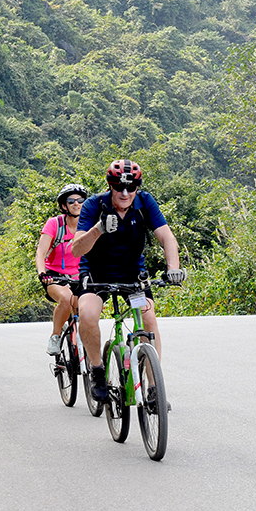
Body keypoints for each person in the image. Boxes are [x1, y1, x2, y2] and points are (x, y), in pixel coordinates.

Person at [71, 159, 186, 401]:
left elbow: (166, 237)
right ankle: (97, 370)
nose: (125, 193)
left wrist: (173, 268)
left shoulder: (145, 202)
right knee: (89, 315)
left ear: (137, 187)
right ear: (110, 186)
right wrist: (98, 229)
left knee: (148, 319)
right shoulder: (94, 205)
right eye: (118, 187)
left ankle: (154, 387)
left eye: (131, 188)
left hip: (132, 273)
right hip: (96, 273)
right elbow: (76, 250)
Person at [35, 183, 89, 355]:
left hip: (80, 275)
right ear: (64, 205)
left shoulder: (89, 225)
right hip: (55, 276)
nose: (76, 204)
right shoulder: (54, 224)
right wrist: (42, 273)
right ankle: (55, 336)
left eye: (80, 200)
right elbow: (41, 253)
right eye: (71, 201)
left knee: (88, 307)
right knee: (65, 299)